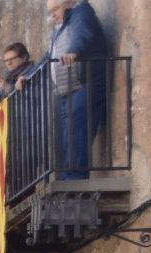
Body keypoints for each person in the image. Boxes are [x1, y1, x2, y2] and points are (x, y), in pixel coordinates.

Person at [44, 0, 109, 181]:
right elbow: (47, 58)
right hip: (68, 91)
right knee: (68, 137)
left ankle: (75, 178)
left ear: (70, 3)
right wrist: (27, 76)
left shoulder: (81, 12)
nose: (53, 15)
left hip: (85, 85)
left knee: (77, 133)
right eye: (50, 12)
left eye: (56, 9)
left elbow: (83, 32)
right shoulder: (58, 30)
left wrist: (74, 50)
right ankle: (69, 177)